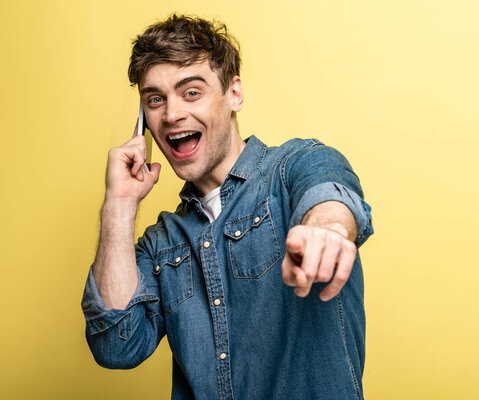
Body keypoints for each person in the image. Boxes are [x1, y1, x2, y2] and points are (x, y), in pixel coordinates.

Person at [81, 14, 374, 400]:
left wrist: (329, 230)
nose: (171, 115)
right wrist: (118, 204)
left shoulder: (294, 165)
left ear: (234, 93)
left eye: (191, 92)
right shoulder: (160, 243)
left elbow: (329, 191)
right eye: (155, 99)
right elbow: (117, 347)